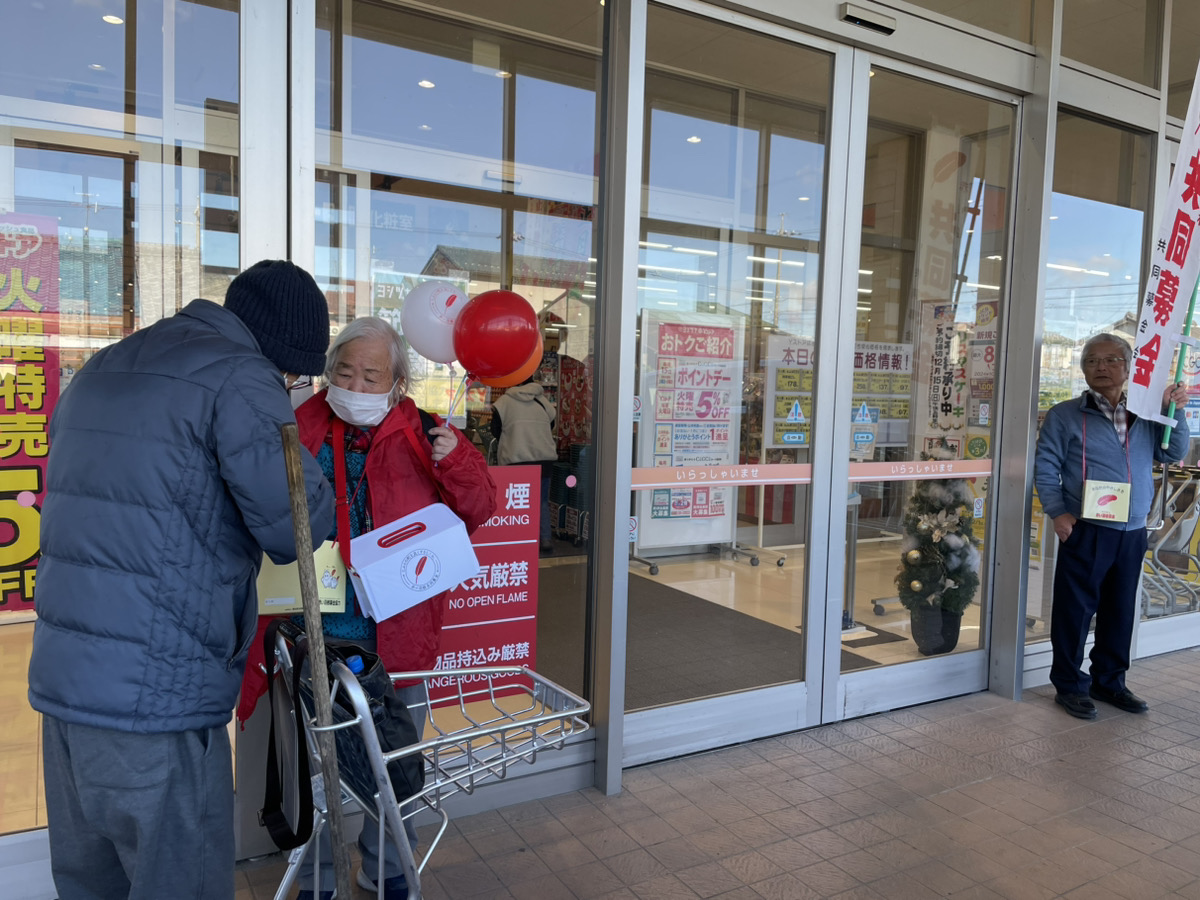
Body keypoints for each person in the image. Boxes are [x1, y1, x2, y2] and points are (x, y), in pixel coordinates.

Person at [27, 260, 337, 900]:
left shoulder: (108, 363)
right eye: (296, 375)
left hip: (65, 687)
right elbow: (295, 525)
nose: (293, 386)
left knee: (91, 883)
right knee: (179, 880)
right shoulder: (240, 378)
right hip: (157, 696)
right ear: (280, 353)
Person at [239, 316, 497, 900]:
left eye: (371, 374)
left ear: (398, 382)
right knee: (312, 766)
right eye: (343, 371)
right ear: (326, 373)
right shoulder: (295, 424)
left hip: (394, 635)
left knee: (392, 766)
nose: (354, 384)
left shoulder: (428, 432)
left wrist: (455, 459)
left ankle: (388, 871)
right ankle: (318, 876)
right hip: (310, 630)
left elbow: (479, 508)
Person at [1034, 332, 1190, 721]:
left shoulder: (1146, 413)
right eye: (1091, 361)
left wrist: (1176, 411)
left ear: (1128, 367)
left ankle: (1110, 682)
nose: (1100, 367)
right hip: (1085, 526)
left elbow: (1173, 451)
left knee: (1120, 610)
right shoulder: (1066, 414)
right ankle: (1070, 686)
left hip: (1132, 530)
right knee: (1075, 611)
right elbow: (1045, 467)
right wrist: (1058, 513)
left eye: (1110, 360)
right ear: (1083, 368)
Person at [491, 375, 558, 552]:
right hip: (544, 460)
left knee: (514, 503)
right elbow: (551, 425)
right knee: (542, 501)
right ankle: (545, 540)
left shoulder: (504, 402)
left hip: (516, 460)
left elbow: (494, 430)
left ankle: (518, 538)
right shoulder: (544, 402)